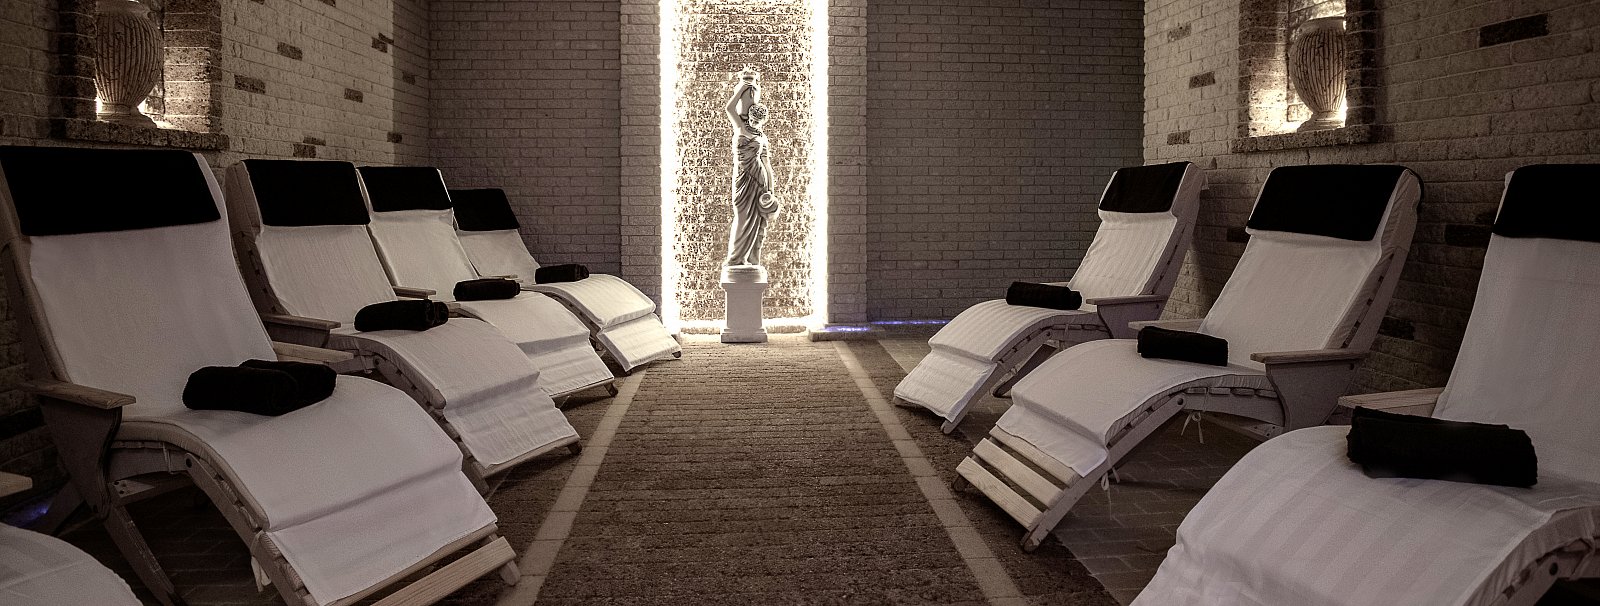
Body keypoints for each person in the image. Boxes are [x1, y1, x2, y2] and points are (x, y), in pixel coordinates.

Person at [723, 67, 778, 267]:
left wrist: (770, 188)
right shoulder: (740, 126)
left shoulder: (762, 137)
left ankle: (751, 259)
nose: (754, 123)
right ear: (749, 116)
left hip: (759, 179)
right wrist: (742, 88)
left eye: (758, 122)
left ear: (763, 121)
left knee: (758, 220)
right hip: (742, 178)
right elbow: (729, 108)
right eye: (752, 120)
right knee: (742, 216)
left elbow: (766, 163)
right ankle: (735, 259)